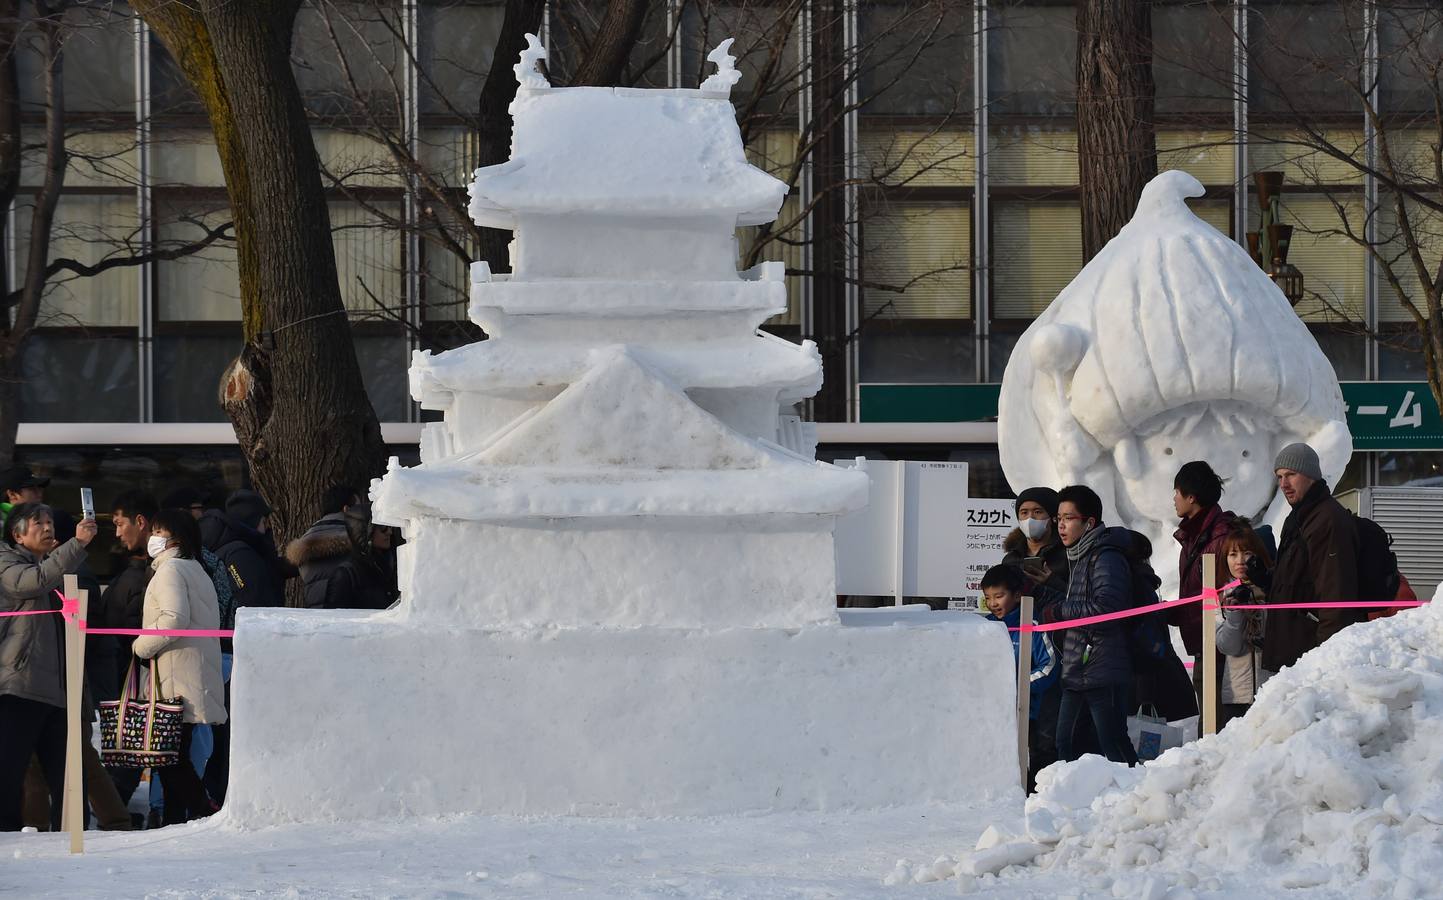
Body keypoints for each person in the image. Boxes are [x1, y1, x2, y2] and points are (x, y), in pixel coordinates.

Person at [0, 502, 98, 830]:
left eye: (49, 522)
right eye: (37, 523)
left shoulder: (50, 565)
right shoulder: (6, 561)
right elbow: (32, 582)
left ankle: (73, 839)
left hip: (57, 689)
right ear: (17, 534)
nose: (47, 527)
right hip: (19, 684)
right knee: (9, 772)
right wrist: (77, 544)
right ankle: (7, 839)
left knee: (69, 773)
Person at [131, 508, 227, 826]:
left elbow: (174, 619)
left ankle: (202, 807)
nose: (153, 537)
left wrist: (140, 646)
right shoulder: (196, 569)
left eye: (159, 531)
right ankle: (174, 819)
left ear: (176, 538)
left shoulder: (170, 570)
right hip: (190, 673)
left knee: (169, 758)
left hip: (175, 676)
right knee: (176, 753)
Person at [1045, 485, 1138, 767]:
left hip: (1102, 667)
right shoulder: (1079, 556)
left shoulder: (1105, 556)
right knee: (1065, 743)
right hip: (1079, 667)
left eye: (1069, 518)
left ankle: (1139, 798)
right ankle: (1068, 805)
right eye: (1058, 518)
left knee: (1113, 744)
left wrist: (1060, 611)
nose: (1061, 525)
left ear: (1089, 523)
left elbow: (1108, 608)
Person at [1260, 443, 1361, 673]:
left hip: (1311, 659)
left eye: (1291, 475)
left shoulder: (1327, 520)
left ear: (1311, 475)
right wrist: (1264, 578)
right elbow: (1292, 586)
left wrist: (1324, 662)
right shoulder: (1297, 518)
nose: (1284, 484)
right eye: (1279, 477)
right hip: (1290, 653)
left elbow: (1336, 595)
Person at [980, 564, 1059, 792]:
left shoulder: (1032, 625)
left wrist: (1018, 687)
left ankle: (1036, 799)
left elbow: (1049, 666)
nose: (993, 603)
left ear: (1017, 595)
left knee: (1036, 757)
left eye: (999, 596)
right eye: (988, 597)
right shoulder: (986, 626)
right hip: (997, 712)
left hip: (1034, 712)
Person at [1170, 461, 1237, 706]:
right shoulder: (1194, 538)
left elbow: (1221, 599)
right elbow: (1198, 596)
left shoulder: (1220, 538)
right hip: (1204, 646)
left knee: (1215, 728)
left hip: (1221, 651)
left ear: (1191, 497)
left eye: (1177, 492)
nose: (1174, 499)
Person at [1215, 524, 1274, 730]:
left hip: (1273, 689)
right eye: (1233, 554)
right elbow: (1228, 647)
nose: (1239, 560)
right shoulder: (1221, 596)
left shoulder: (1273, 590)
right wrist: (1235, 614)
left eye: (1247, 553)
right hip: (1237, 693)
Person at [1002, 487, 1068, 601]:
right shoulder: (1010, 559)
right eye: (1024, 512)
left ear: (1053, 518)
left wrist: (1052, 582)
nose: (1030, 518)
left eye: (1037, 512)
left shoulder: (1068, 555)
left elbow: (1081, 599)